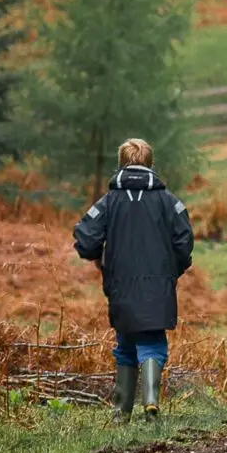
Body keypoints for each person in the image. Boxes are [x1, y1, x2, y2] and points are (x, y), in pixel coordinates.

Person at [73, 138, 194, 423]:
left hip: (120, 284)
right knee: (152, 342)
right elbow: (185, 241)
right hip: (158, 285)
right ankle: (150, 401)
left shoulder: (109, 201)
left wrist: (97, 260)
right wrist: (171, 270)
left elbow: (85, 237)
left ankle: (120, 413)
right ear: (151, 163)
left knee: (125, 344)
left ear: (121, 163)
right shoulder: (169, 201)